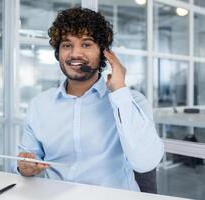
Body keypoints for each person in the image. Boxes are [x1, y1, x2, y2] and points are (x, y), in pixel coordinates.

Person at [12, 7, 164, 191]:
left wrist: (119, 91)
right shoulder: (40, 104)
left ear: (104, 52)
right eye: (67, 45)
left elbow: (145, 163)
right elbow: (24, 160)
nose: (75, 54)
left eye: (86, 44)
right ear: (58, 53)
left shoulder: (131, 101)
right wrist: (24, 167)